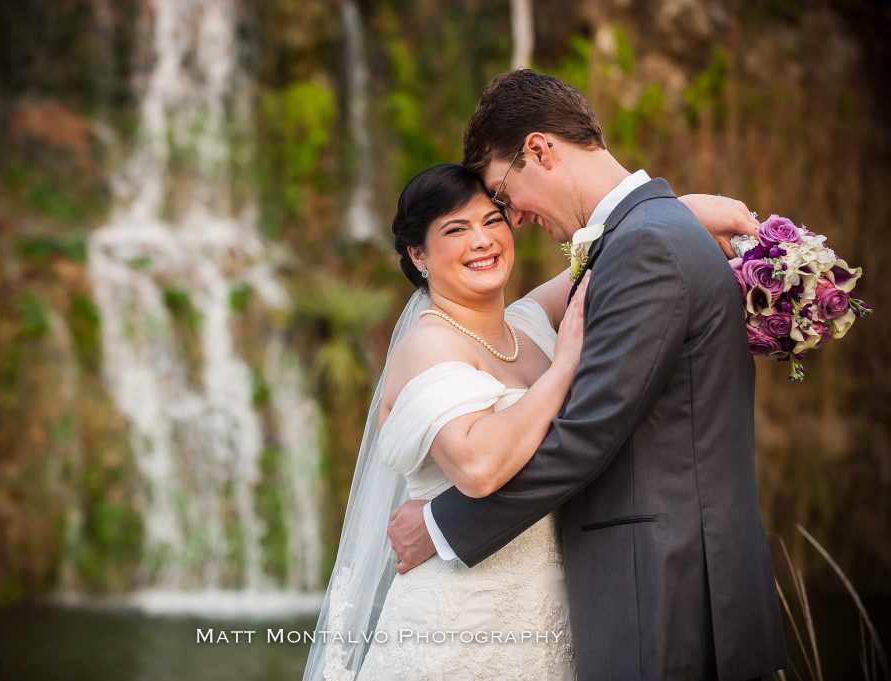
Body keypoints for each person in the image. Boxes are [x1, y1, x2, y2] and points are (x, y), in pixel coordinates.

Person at [385, 69, 788, 680]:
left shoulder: (642, 247)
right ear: (418, 255)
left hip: (662, 583)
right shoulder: (640, 238)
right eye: (461, 225)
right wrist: (690, 207)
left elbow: (583, 436)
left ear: (540, 151)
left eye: (500, 198)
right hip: (633, 584)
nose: (510, 219)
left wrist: (440, 527)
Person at [303, 157, 767, 679]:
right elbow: (477, 467)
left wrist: (683, 210)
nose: (482, 240)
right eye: (457, 230)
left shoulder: (526, 324)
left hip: (549, 617)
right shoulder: (428, 346)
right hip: (462, 623)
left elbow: (610, 254)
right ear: (419, 255)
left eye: (492, 221)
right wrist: (563, 368)